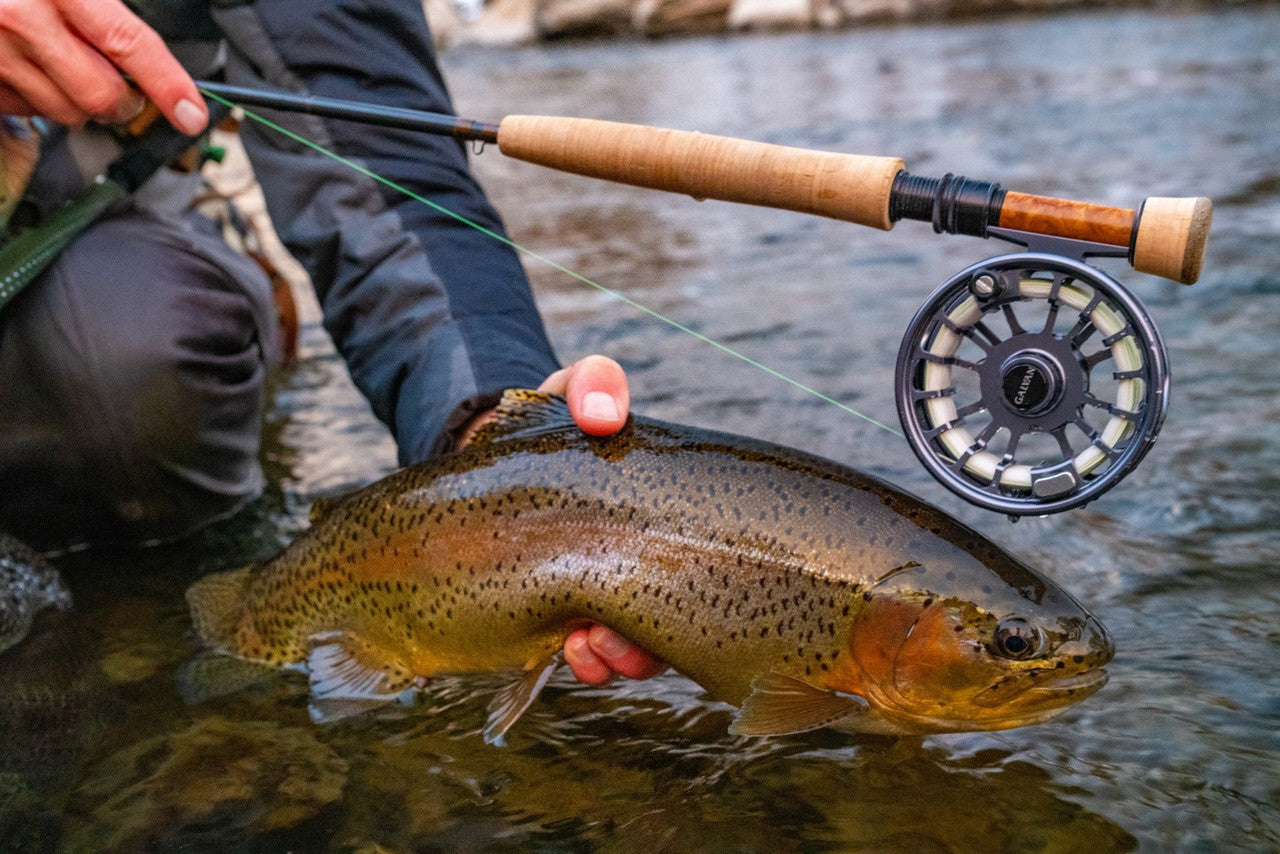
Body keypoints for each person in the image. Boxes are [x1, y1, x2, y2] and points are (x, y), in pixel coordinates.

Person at [0, 0, 662, 687]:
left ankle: (141, 640)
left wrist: (489, 431)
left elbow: (386, 184)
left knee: (133, 360)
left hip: (66, 234)